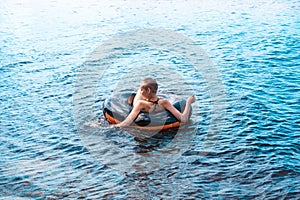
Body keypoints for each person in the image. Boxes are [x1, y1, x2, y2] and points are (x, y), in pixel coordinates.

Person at [110, 78, 195, 128]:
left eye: (142, 90)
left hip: (141, 106)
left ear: (148, 90)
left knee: (139, 93)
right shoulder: (164, 102)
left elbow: (126, 123)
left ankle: (145, 91)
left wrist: (111, 127)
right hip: (154, 102)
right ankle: (149, 92)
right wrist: (188, 103)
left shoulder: (140, 104)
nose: (141, 91)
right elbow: (184, 119)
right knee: (145, 90)